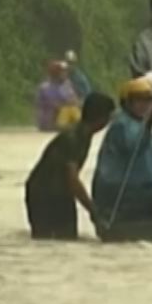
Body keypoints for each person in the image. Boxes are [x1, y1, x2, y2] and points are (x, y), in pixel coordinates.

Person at [24, 93, 116, 240]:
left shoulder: (83, 135)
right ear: (101, 119)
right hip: (44, 194)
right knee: (51, 239)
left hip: (58, 192)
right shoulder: (73, 139)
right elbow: (72, 179)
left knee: (66, 239)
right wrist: (93, 211)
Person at [92, 77, 152, 225]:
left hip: (141, 191)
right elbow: (134, 146)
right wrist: (149, 124)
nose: (145, 105)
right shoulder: (121, 124)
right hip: (122, 192)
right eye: (139, 100)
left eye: (148, 101)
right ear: (128, 102)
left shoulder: (140, 123)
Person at [35, 60, 81, 132]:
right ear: (55, 73)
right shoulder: (46, 87)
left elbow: (74, 99)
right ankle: (66, 125)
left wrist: (74, 102)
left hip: (63, 117)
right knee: (66, 109)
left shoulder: (66, 84)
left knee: (73, 108)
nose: (66, 74)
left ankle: (79, 124)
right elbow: (55, 105)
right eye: (63, 72)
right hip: (49, 121)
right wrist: (68, 103)